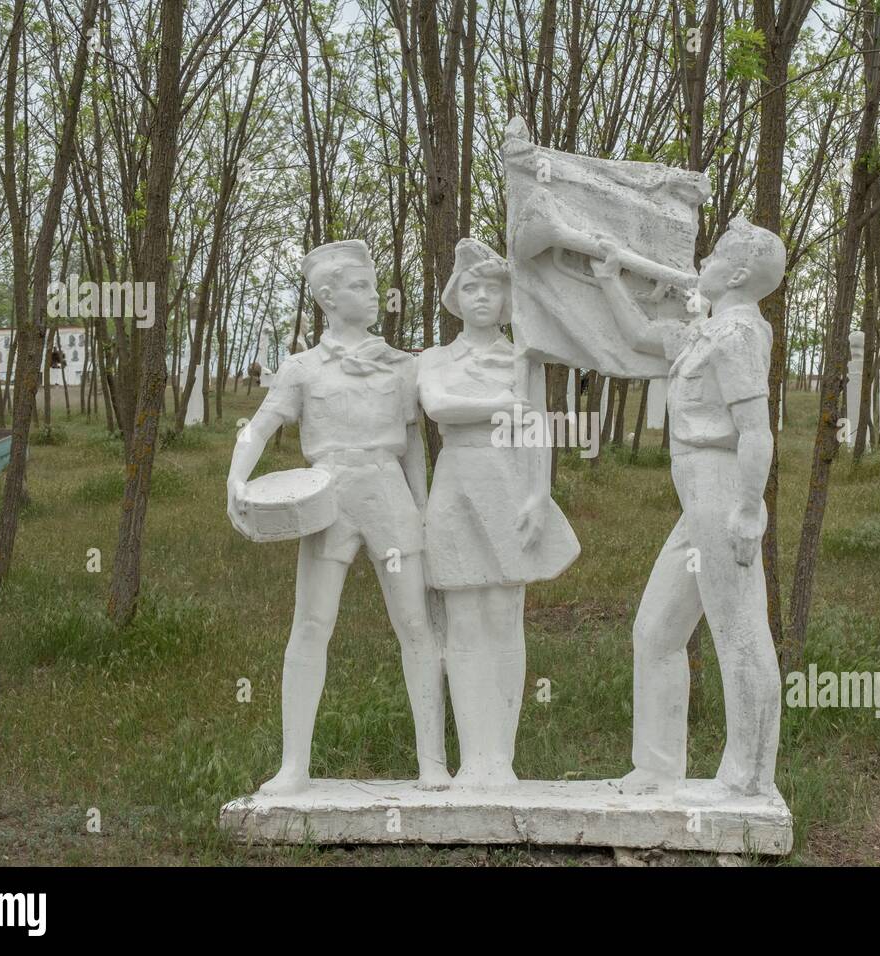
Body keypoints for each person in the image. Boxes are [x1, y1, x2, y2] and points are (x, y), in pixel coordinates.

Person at [226, 239, 449, 795]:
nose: (374, 296)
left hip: (388, 494)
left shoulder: (402, 366)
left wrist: (423, 514)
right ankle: (294, 766)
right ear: (327, 296)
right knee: (311, 624)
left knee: (416, 624)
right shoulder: (302, 368)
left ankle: (433, 762)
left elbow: (413, 447)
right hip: (327, 498)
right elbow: (260, 424)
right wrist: (235, 478)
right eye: (360, 287)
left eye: (373, 286)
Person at [591, 218, 784, 800]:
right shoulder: (707, 331)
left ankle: (748, 775)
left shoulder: (738, 336)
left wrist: (749, 511)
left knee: (740, 632)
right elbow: (641, 335)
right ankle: (655, 767)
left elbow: (756, 432)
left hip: (722, 491)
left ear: (740, 273)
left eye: (718, 253)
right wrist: (607, 278)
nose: (706, 258)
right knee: (655, 631)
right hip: (695, 500)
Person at [418, 238, 580, 789]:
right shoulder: (434, 359)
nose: (482, 296)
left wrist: (540, 495)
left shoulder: (523, 357)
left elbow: (539, 430)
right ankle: (472, 759)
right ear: (455, 297)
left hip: (510, 486)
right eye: (471, 287)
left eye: (492, 287)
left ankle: (501, 759)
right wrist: (505, 405)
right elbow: (438, 406)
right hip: (456, 488)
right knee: (463, 620)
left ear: (508, 297)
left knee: (504, 617)